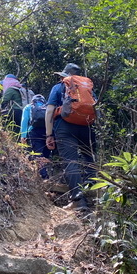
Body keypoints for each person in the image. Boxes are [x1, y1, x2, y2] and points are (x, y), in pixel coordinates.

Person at [45, 63, 96, 210]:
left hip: (65, 126)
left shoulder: (59, 87)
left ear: (65, 76)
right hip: (87, 126)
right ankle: (94, 192)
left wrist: (49, 134)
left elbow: (49, 111)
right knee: (89, 157)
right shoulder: (88, 88)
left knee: (71, 161)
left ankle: (79, 201)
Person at [20, 94, 51, 179]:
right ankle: (45, 171)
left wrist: (23, 136)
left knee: (38, 153)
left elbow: (24, 121)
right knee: (46, 153)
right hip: (48, 132)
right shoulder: (48, 107)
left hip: (34, 131)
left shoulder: (28, 107)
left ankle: (43, 175)